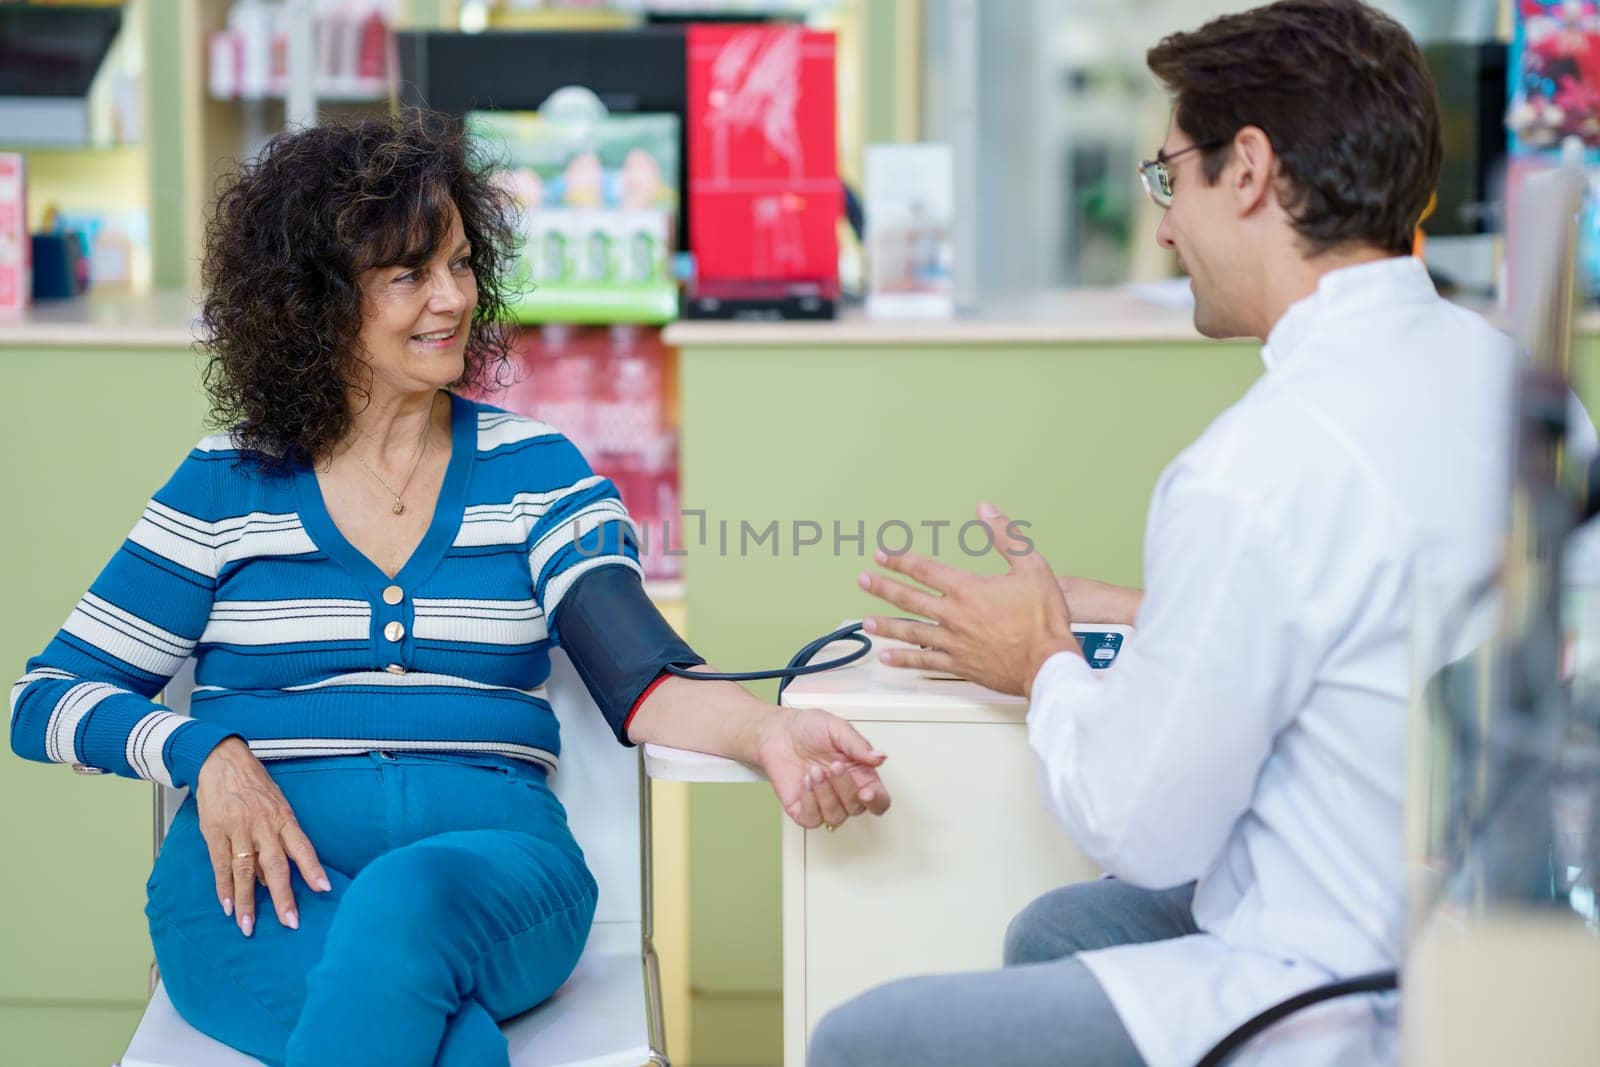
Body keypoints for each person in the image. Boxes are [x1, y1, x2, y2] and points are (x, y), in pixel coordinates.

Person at [9, 111, 889, 1067]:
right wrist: (202, 752)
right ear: (316, 301)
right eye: (409, 275)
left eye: (463, 263)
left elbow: (641, 669)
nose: (454, 298)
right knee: (453, 1046)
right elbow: (44, 699)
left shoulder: (536, 471)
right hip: (250, 886)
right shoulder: (224, 483)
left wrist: (765, 730)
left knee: (404, 908)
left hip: (497, 877)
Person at [814, 2, 1513, 1065]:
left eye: (1168, 177)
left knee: (863, 1039)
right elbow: (1397, 616)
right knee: (1057, 931)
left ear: (1246, 169)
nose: (1163, 226)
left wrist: (1042, 658)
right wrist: (1146, 612)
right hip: (1480, 934)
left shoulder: (1253, 466)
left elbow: (1141, 827)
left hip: (1333, 984)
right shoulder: (1503, 377)